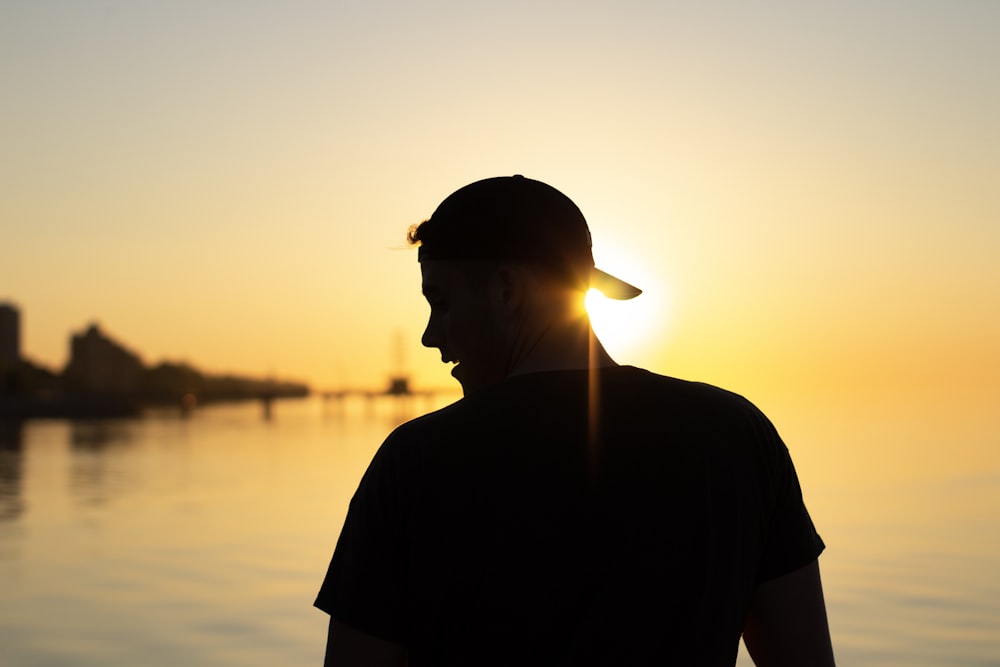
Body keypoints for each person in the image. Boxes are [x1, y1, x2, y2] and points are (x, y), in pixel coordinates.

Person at [315, 175, 835, 666]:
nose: (431, 336)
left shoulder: (415, 463)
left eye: (442, 302)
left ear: (505, 291)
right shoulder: (738, 436)